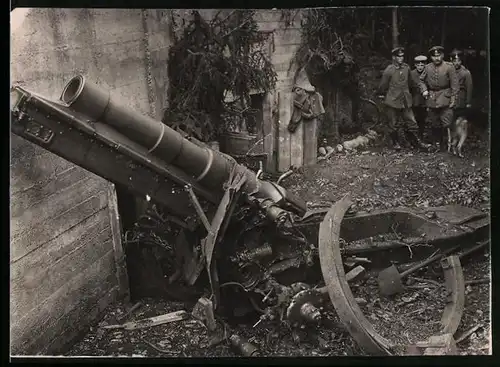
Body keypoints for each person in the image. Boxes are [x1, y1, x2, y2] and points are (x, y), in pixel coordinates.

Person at [377, 47, 430, 151]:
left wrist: (421, 90)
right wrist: (383, 96)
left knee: (412, 121)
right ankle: (396, 143)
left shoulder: (406, 68)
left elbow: (411, 82)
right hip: (392, 100)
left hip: (405, 100)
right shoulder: (389, 70)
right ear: (394, 57)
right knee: (393, 123)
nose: (401, 58)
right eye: (398, 56)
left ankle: (417, 143)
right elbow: (382, 86)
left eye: (402, 56)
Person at [418, 46, 459, 150]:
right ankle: (437, 143)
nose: (437, 58)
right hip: (432, 98)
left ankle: (449, 144)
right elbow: (421, 80)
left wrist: (453, 99)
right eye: (434, 56)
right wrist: (424, 90)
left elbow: (454, 84)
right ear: (431, 57)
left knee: (447, 122)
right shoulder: (427, 67)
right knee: (434, 122)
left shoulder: (449, 67)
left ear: (443, 55)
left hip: (446, 97)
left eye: (438, 55)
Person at [449, 49, 473, 119]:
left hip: (461, 99)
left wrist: (468, 102)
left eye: (458, 61)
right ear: (451, 61)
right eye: (454, 61)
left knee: (460, 118)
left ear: (461, 61)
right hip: (450, 98)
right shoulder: (449, 71)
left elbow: (469, 88)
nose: (456, 63)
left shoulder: (466, 72)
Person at [410, 55, 428, 141]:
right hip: (414, 100)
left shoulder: (427, 73)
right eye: (418, 65)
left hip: (424, 101)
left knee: (422, 119)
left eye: (422, 65)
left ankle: (421, 136)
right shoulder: (411, 74)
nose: (420, 67)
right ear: (415, 65)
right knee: (414, 119)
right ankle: (414, 137)